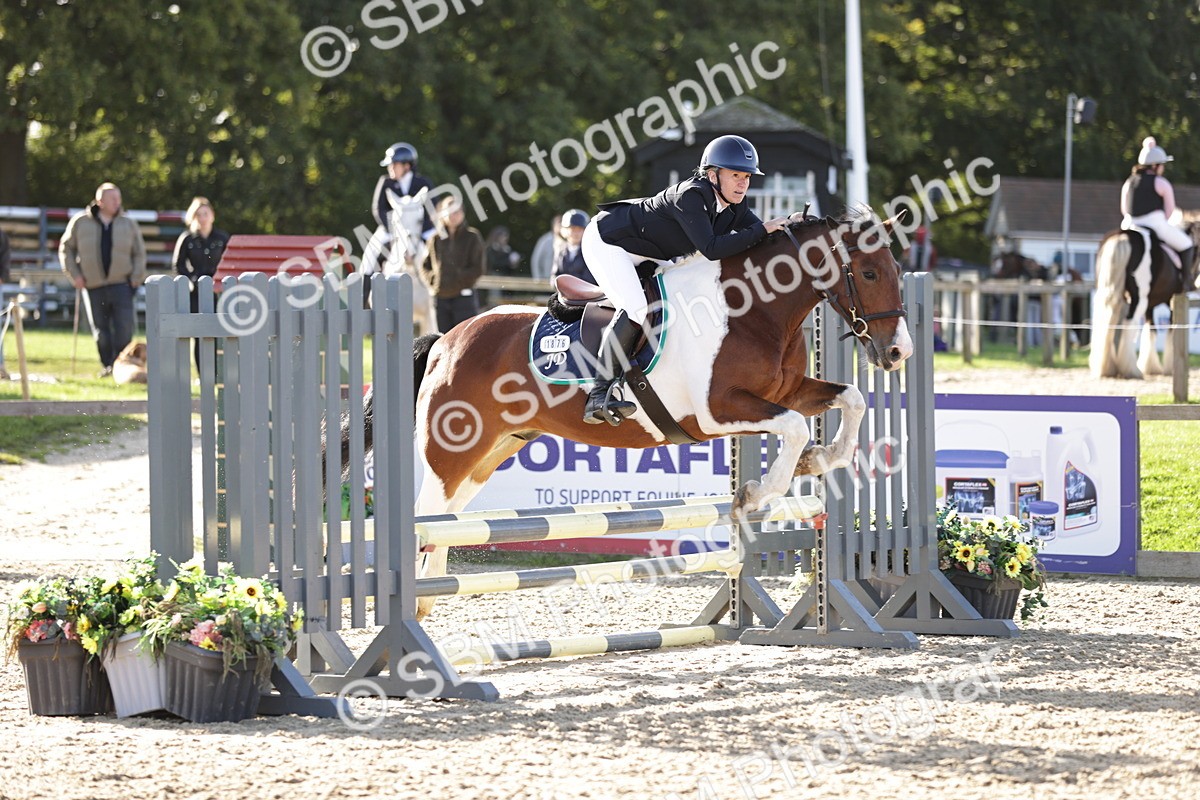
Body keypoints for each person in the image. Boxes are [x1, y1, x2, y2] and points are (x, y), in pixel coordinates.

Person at [579, 134, 790, 425]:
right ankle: (598, 395)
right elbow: (713, 248)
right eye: (736, 175)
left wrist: (790, 230)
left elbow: (759, 237)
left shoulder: (734, 204)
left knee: (680, 303)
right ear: (713, 175)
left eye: (747, 177)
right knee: (638, 309)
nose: (743, 183)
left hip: (650, 251)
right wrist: (765, 229)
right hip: (610, 242)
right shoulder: (690, 196)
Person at [59, 182, 146, 378]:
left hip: (122, 284)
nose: (117, 202)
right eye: (112, 198)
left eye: (118, 198)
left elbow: (139, 253)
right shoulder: (80, 222)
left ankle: (123, 365)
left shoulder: (128, 223)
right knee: (101, 330)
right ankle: (107, 365)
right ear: (100, 201)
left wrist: (136, 276)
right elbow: (66, 249)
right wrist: (75, 275)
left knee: (124, 328)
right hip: (93, 285)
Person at [364, 142, 434, 305]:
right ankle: (364, 300)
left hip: (419, 229)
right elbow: (378, 209)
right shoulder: (386, 182)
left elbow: (432, 210)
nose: (390, 169)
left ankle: (437, 296)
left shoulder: (423, 183)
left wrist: (419, 232)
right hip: (391, 229)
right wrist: (394, 230)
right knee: (369, 256)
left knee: (439, 250)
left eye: (393, 165)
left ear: (407, 166)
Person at [1121, 136, 1196, 286]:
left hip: (1129, 224)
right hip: (1154, 224)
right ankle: (1187, 282)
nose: (1163, 168)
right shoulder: (1161, 183)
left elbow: (1124, 209)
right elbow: (1169, 212)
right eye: (1162, 165)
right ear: (1155, 166)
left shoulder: (1129, 182)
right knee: (1187, 244)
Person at [173, 196, 229, 371]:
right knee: (199, 332)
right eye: (199, 214)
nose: (203, 218)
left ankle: (221, 371)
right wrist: (191, 279)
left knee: (220, 331)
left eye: (206, 214)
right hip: (196, 291)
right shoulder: (187, 239)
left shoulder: (222, 237)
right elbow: (178, 264)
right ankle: (202, 372)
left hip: (219, 291)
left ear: (212, 215)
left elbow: (230, 261)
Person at [420, 196, 486, 331]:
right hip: (440, 297)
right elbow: (424, 266)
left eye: (456, 211)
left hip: (463, 297)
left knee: (465, 338)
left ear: (462, 213)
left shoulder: (472, 237)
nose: (453, 215)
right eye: (448, 211)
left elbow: (478, 268)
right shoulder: (435, 239)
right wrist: (434, 281)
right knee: (442, 340)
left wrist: (459, 281)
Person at [551, 209, 595, 284]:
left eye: (580, 229)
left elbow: (589, 279)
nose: (576, 233)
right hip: (564, 292)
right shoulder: (560, 250)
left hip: (586, 293)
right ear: (566, 230)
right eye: (573, 229)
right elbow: (554, 277)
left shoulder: (590, 251)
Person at [529, 214, 561, 283]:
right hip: (545, 279)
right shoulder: (545, 240)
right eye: (559, 224)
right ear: (553, 225)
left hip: (561, 281)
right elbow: (536, 259)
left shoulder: (569, 241)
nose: (560, 227)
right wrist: (537, 278)